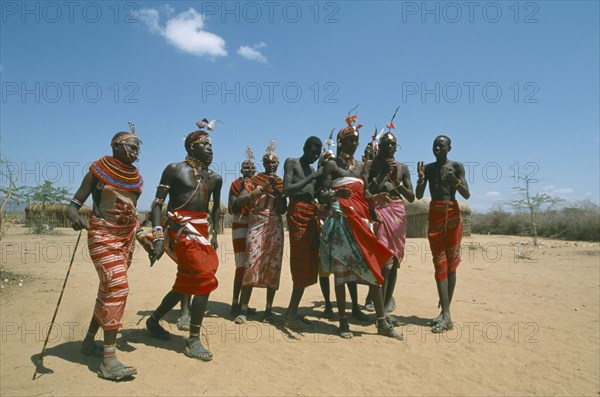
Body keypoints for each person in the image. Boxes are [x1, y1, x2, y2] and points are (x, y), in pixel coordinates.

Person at [67, 126, 150, 381]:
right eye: (132, 146)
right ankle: (108, 359)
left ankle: (89, 342)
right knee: (117, 287)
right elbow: (74, 205)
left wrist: (144, 237)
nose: (136, 151)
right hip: (102, 234)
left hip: (126, 238)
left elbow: (132, 213)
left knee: (108, 290)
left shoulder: (136, 178)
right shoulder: (98, 169)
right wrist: (75, 218)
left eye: (138, 147)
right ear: (116, 146)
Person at [319, 115, 402, 340]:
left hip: (362, 222)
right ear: (340, 141)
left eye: (356, 141)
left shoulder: (361, 168)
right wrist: (336, 194)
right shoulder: (331, 165)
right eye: (350, 140)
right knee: (342, 273)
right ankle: (343, 322)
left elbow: (365, 194)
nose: (354, 144)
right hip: (341, 222)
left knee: (378, 268)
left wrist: (377, 198)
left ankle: (381, 321)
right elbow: (322, 195)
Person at [145, 121, 222, 361]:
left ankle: (153, 320)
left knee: (186, 284)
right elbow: (157, 205)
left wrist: (215, 234)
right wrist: (158, 238)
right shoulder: (174, 169)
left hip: (200, 232)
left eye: (211, 145)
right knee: (203, 276)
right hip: (179, 231)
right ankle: (193, 340)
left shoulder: (215, 178)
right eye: (204, 144)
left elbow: (216, 208)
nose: (209, 148)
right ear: (191, 147)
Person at [416, 135, 470, 333]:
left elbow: (466, 193)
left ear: (449, 148)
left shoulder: (457, 166)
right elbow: (419, 195)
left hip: (453, 215)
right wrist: (421, 179)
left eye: (441, 145)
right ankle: (445, 314)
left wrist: (454, 180)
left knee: (451, 263)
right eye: (435, 145)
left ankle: (446, 314)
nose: (437, 148)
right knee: (439, 262)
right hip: (436, 214)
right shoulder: (429, 169)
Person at [233, 141, 287, 324]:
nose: (271, 165)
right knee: (251, 262)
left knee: (273, 263)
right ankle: (243, 309)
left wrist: (276, 192)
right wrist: (262, 190)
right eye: (268, 162)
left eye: (274, 163)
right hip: (256, 224)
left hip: (275, 225)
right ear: (263, 164)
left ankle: (268, 310)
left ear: (277, 165)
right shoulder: (252, 181)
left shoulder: (280, 183)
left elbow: (282, 209)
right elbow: (239, 202)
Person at [367, 130, 415, 324]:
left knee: (394, 262)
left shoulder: (403, 167)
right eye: (386, 144)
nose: (390, 147)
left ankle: (385, 310)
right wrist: (382, 175)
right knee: (383, 262)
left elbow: (411, 196)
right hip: (379, 213)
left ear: (396, 147)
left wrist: (396, 182)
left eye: (393, 144)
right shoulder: (372, 166)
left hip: (398, 213)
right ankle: (380, 310)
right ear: (380, 147)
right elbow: (367, 191)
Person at [282, 136, 323, 326]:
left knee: (308, 262)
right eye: (312, 151)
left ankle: (293, 310)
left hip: (311, 215)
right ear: (304, 148)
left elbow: (315, 193)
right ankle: (290, 313)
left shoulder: (314, 170)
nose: (315, 155)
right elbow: (288, 189)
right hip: (297, 213)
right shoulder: (293, 163)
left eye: (318, 153)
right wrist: (312, 177)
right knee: (300, 262)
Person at [228, 148, 257, 316]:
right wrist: (245, 191)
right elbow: (233, 208)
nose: (248, 170)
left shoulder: (259, 183)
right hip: (240, 223)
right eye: (245, 167)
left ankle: (243, 304)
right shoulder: (235, 185)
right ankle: (234, 303)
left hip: (255, 225)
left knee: (250, 265)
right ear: (241, 170)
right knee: (241, 265)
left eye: (251, 168)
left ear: (255, 170)